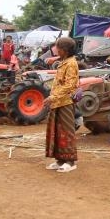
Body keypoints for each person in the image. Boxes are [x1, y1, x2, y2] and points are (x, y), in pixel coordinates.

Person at [45, 38, 80, 173]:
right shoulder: (64, 62)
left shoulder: (71, 64)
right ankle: (60, 160)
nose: (56, 50)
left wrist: (52, 97)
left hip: (65, 102)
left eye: (58, 48)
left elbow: (70, 85)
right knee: (58, 131)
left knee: (66, 131)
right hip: (58, 102)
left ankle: (70, 161)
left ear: (64, 50)